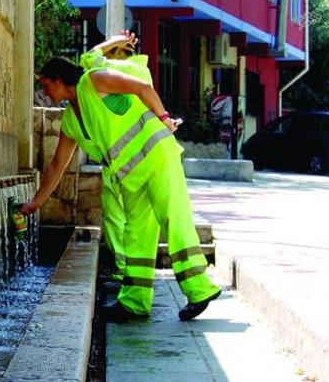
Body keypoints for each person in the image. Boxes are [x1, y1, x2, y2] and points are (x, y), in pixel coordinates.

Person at [22, 35, 221, 322]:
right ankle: (135, 301)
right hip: (131, 174)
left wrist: (164, 117)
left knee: (173, 220)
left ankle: (200, 289)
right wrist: (35, 203)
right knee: (136, 233)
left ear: (58, 79)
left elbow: (141, 87)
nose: (44, 90)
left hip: (156, 156)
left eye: (45, 83)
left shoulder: (93, 80)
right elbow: (56, 166)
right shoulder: (70, 121)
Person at [68, 32, 157, 293]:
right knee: (130, 221)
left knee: (122, 220)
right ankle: (129, 277)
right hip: (134, 159)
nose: (105, 60)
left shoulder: (121, 70)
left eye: (111, 54)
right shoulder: (140, 70)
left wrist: (114, 40)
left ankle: (123, 273)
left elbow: (89, 58)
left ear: (118, 55)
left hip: (123, 159)